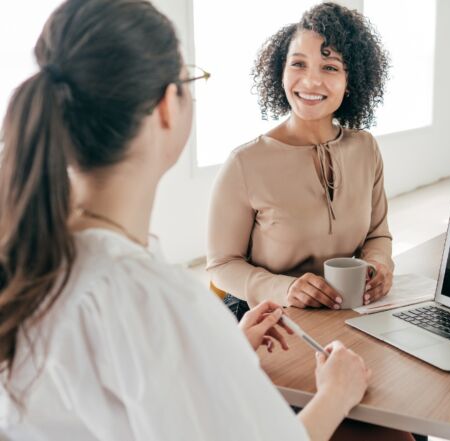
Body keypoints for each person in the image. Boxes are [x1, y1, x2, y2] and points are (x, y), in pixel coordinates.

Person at [0, 1, 372, 439]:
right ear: (165, 107)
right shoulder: (155, 300)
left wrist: (221, 349)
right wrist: (336, 392)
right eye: (188, 80)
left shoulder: (27, 257)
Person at [207, 3, 394, 315]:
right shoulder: (245, 163)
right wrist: (286, 288)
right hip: (266, 317)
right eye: (298, 64)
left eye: (330, 67)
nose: (310, 81)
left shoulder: (366, 148)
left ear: (352, 80)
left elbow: (378, 234)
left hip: (345, 311)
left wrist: (379, 264)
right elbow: (221, 265)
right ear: (281, 71)